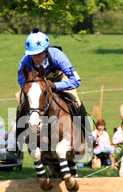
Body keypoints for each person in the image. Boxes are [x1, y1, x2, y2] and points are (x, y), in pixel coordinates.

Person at [10, 28, 88, 156]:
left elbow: (76, 80)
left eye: (40, 53)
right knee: (22, 105)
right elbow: (23, 83)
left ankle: (88, 136)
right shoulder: (25, 62)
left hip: (60, 82)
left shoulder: (57, 55)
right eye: (33, 54)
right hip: (37, 87)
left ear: (46, 50)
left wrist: (56, 85)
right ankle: (16, 143)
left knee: (76, 102)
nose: (36, 57)